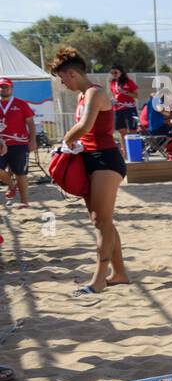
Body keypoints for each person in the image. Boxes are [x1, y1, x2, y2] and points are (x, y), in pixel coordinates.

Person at [51, 47, 129, 294]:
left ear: (72, 74)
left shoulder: (95, 92)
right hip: (89, 159)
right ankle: (119, 274)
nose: (63, 84)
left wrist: (64, 142)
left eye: (63, 78)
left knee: (100, 221)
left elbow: (84, 127)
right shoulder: (82, 96)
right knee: (103, 220)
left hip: (106, 160)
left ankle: (98, 278)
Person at [0, 77, 37, 207]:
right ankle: (11, 185)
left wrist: (33, 141)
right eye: (1, 87)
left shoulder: (21, 103)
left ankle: (24, 202)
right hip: (1, 144)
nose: (3, 89)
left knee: (21, 173)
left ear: (11, 88)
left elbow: (31, 124)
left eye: (6, 86)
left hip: (20, 144)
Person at [109, 65, 139, 150]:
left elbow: (136, 95)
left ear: (121, 72)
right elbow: (114, 94)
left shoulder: (129, 82)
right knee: (121, 132)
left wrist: (125, 92)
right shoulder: (112, 82)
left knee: (132, 130)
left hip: (129, 108)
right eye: (112, 73)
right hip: (118, 109)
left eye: (115, 72)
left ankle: (134, 151)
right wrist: (113, 100)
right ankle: (125, 153)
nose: (113, 74)